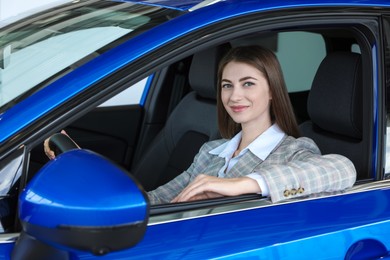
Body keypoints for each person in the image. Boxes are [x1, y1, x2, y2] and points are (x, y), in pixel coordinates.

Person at [45, 46, 356, 205]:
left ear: (272, 90)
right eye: (226, 85)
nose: (235, 96)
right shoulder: (211, 152)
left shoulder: (293, 149)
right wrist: (87, 167)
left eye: (248, 84)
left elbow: (342, 170)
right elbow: (154, 202)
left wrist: (243, 184)